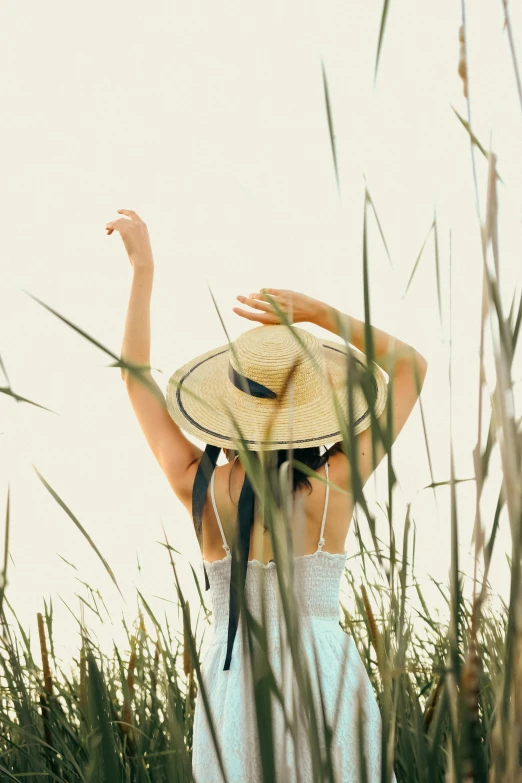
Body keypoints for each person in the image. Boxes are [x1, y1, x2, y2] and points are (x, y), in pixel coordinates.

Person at [107, 208, 428, 782]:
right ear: (309, 405)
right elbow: (409, 367)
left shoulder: (199, 485)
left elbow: (134, 375)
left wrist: (143, 268)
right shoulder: (333, 482)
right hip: (323, 679)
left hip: (232, 684)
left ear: (227, 408)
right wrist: (318, 315)